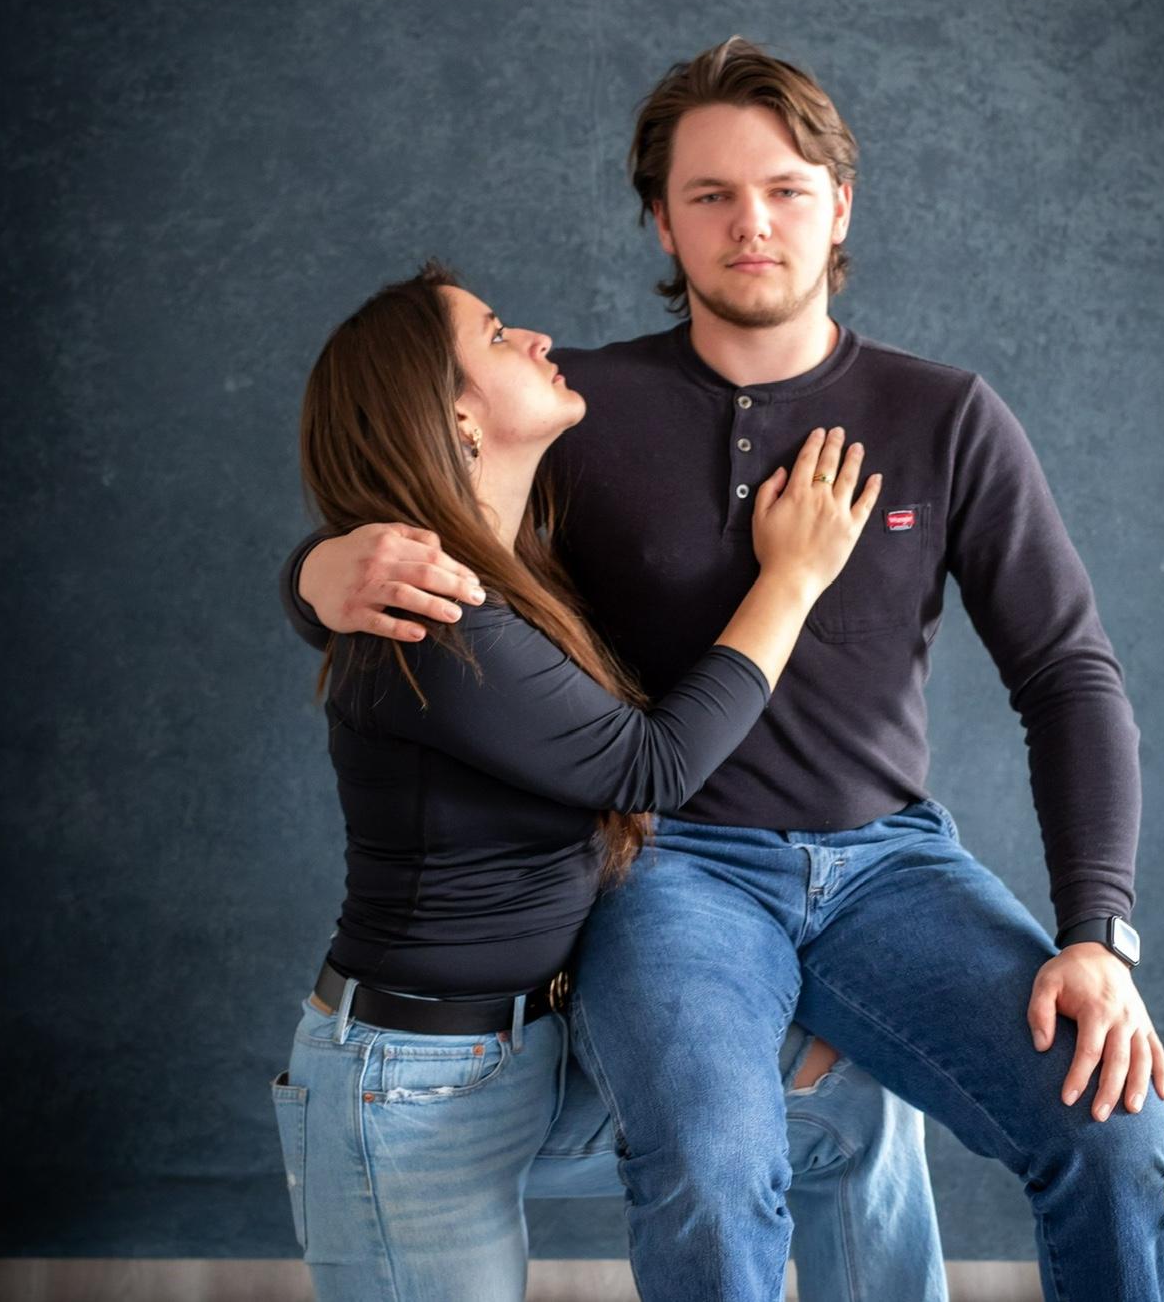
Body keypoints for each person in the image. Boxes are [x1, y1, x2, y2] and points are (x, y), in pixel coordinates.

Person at [283, 39, 1164, 1302]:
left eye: (784, 187)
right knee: (713, 1171)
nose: (750, 222)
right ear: (660, 218)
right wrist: (320, 571)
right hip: (674, 867)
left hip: (892, 865)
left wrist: (1097, 930)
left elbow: (1068, 675)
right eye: (708, 194)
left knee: (1118, 1132)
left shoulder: (948, 417)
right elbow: (427, 506)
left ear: (840, 205)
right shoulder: (573, 408)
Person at [271, 260, 948, 1302]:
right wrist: (794, 577)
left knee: (851, 1098)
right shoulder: (441, 619)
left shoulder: (506, 567)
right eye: (498, 336)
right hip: (410, 1088)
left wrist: (311, 571)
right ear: (458, 419)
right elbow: (654, 765)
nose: (537, 337)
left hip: (532, 1048)